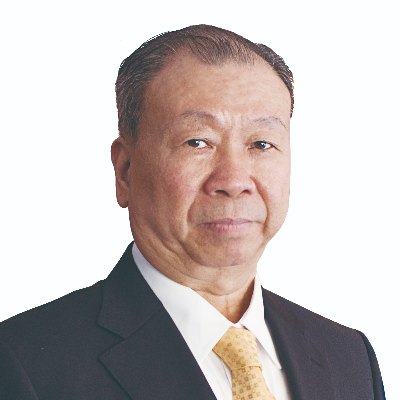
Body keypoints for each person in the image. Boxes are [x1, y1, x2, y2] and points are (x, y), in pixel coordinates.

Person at [0, 24, 385, 400]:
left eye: (261, 144)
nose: (234, 181)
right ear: (125, 170)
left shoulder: (348, 357)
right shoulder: (24, 365)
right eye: (197, 142)